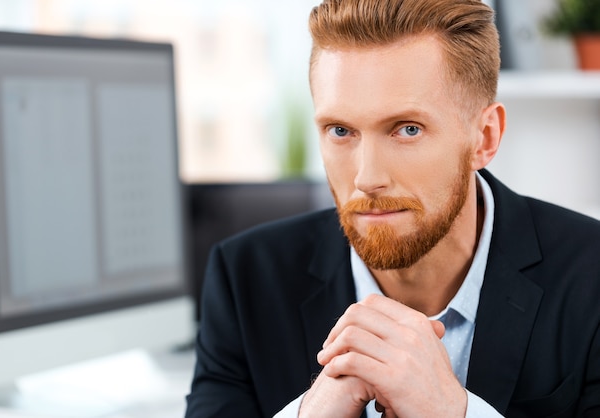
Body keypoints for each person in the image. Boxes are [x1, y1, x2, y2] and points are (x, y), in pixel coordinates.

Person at [185, 0, 600, 416]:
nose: (367, 178)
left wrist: (452, 411)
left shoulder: (590, 276)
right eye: (340, 130)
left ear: (485, 138)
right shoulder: (246, 278)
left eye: (407, 129)